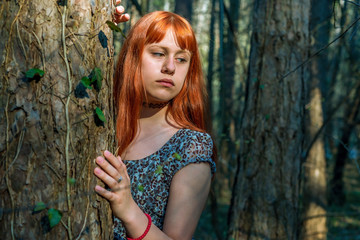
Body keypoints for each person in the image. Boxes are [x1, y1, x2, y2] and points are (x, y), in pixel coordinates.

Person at [94, 1, 216, 239]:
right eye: (158, 53)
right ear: (133, 56)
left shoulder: (191, 146)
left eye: (182, 59)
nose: (170, 67)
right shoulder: (100, 120)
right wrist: (98, 27)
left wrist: (129, 211)